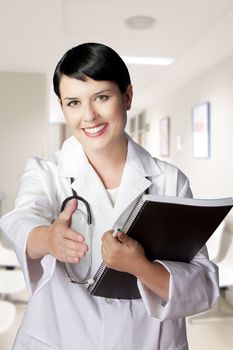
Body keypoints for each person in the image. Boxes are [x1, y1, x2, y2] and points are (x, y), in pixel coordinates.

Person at [0, 42, 219, 350]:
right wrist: (47, 239)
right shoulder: (45, 173)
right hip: (57, 339)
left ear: (127, 97)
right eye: (73, 103)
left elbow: (202, 285)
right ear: (62, 107)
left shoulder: (169, 180)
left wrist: (140, 266)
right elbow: (20, 220)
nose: (88, 115)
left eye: (101, 97)